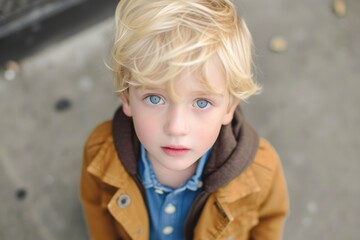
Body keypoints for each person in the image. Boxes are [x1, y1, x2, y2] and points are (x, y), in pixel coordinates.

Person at [80, 0, 289, 239]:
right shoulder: (100, 154)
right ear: (127, 97)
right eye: (155, 99)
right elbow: (96, 211)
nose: (176, 128)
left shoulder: (261, 170)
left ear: (230, 107)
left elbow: (269, 222)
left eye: (201, 103)